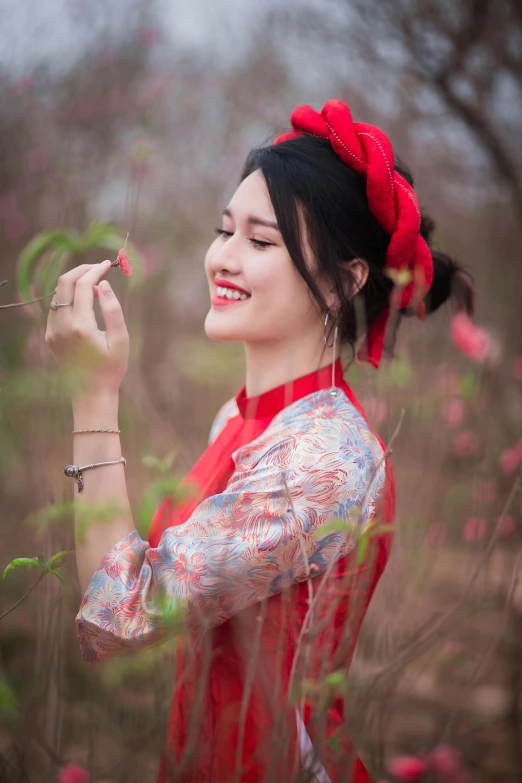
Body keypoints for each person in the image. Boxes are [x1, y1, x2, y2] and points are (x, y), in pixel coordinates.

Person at [45, 99, 475, 782]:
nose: (223, 257)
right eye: (224, 230)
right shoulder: (244, 419)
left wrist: (94, 392)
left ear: (343, 279)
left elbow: (121, 612)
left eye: (261, 240)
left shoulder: (321, 456)